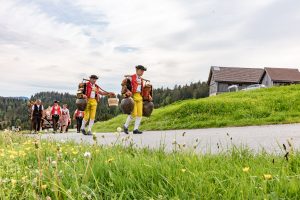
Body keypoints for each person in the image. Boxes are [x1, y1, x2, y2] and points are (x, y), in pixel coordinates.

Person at [122, 65, 152, 134]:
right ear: (136, 70)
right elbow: (124, 85)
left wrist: (148, 95)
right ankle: (125, 126)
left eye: (143, 71)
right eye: (141, 70)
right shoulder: (131, 78)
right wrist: (127, 91)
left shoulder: (141, 80)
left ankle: (135, 129)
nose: (142, 72)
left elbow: (143, 90)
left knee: (140, 114)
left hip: (139, 97)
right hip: (133, 96)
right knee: (134, 113)